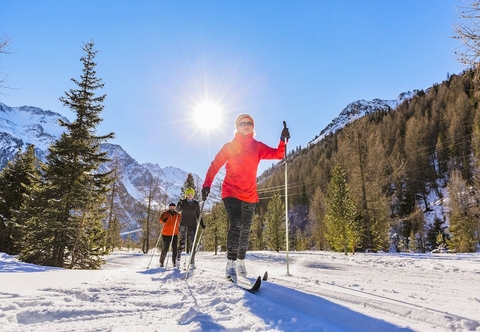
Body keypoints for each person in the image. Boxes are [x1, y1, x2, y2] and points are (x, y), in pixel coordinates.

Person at [201, 113, 290, 280]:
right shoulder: (229, 146)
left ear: (252, 127)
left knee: (246, 230)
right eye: (242, 123)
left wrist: (282, 140)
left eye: (249, 123)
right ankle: (231, 263)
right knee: (236, 224)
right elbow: (215, 165)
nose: (246, 125)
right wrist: (206, 184)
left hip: (250, 195)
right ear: (237, 127)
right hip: (231, 191)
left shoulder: (257, 147)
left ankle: (241, 261)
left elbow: (278, 155)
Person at [176, 188, 205, 269]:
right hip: (183, 225)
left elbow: (198, 215)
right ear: (186, 195)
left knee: (193, 244)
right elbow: (177, 210)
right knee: (182, 243)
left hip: (192, 225)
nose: (189, 196)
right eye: (188, 194)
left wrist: (202, 224)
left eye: (191, 194)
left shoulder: (196, 204)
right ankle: (178, 259)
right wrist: (179, 204)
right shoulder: (183, 202)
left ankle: (192, 261)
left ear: (193, 195)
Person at [158, 202, 181, 268]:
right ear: (169, 207)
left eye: (173, 206)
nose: (172, 207)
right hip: (166, 233)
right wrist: (163, 220)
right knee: (165, 249)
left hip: (174, 234)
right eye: (171, 206)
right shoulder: (165, 213)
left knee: (174, 249)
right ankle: (161, 261)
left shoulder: (177, 215)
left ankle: (174, 262)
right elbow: (160, 220)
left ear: (175, 207)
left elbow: (180, 221)